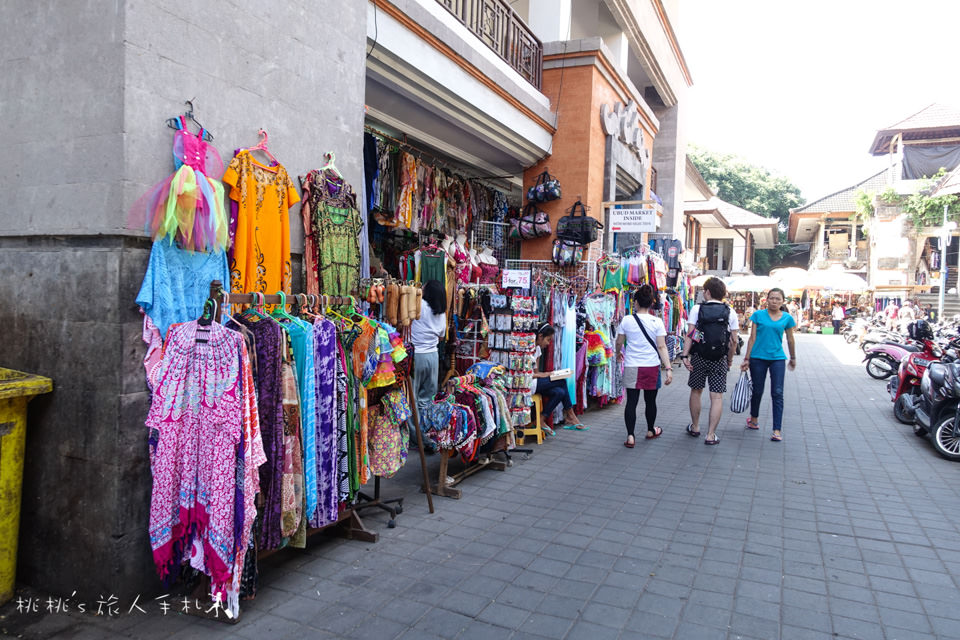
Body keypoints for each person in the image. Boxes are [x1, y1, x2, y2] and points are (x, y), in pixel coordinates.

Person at [680, 277, 739, 445]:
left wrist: (685, 355)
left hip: (699, 356)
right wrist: (729, 359)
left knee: (696, 391)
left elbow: (691, 334)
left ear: (707, 292)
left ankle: (696, 427)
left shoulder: (697, 309)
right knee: (717, 397)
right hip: (719, 358)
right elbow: (733, 341)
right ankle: (711, 435)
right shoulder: (730, 311)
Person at [615, 285, 673, 448]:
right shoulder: (657, 322)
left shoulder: (627, 320)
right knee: (651, 401)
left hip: (632, 365)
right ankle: (650, 430)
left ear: (637, 302)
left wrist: (617, 353)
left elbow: (619, 342)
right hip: (651, 366)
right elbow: (662, 347)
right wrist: (668, 368)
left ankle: (630, 436)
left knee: (631, 402)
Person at [742, 287, 796, 441]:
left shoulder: (787, 318)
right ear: (766, 299)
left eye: (778, 299)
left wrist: (793, 357)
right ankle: (754, 419)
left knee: (777, 393)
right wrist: (746, 358)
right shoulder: (758, 315)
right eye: (772, 298)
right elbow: (752, 338)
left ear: (783, 301)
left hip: (778, 358)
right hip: (757, 358)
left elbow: (791, 339)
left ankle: (777, 430)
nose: (774, 301)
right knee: (757, 390)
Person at [410, 279, 447, 453]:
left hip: (417, 355)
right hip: (433, 356)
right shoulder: (441, 312)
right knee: (428, 399)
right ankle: (429, 436)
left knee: (413, 399)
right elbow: (441, 336)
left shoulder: (418, 304)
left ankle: (418, 438)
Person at [533, 323, 584, 433]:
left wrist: (543, 374)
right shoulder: (527, 348)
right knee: (561, 381)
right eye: (548, 339)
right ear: (540, 336)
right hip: (527, 383)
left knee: (560, 392)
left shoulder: (537, 350)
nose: (548, 343)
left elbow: (535, 372)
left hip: (536, 382)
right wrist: (545, 374)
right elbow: (525, 374)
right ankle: (570, 415)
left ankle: (541, 419)